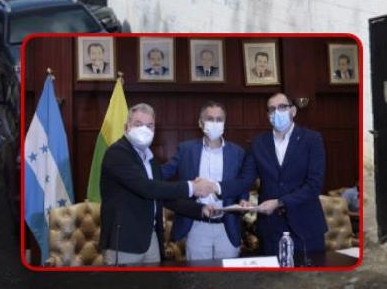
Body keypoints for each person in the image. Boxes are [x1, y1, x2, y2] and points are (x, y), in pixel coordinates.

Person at [99, 103, 215, 265]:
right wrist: (192, 187)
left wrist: (200, 209)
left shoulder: (150, 158)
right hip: (125, 242)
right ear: (126, 127)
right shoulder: (117, 153)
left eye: (150, 125)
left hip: (151, 239)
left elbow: (164, 197)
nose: (144, 129)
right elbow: (147, 188)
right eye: (138, 124)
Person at [221, 93, 326, 263]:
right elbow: (245, 180)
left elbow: (314, 185)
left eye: (282, 107)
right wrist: (216, 188)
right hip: (271, 229)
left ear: (293, 111)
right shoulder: (258, 143)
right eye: (271, 109)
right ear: (267, 115)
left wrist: (279, 202)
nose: (276, 112)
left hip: (306, 227)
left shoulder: (312, 139)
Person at [161, 102, 251, 260]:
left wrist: (244, 200)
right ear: (200, 123)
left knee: (229, 280)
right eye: (210, 119)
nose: (215, 123)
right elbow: (163, 174)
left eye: (219, 119)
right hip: (197, 225)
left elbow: (242, 184)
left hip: (227, 225)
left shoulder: (238, 152)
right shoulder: (186, 149)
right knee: (198, 278)